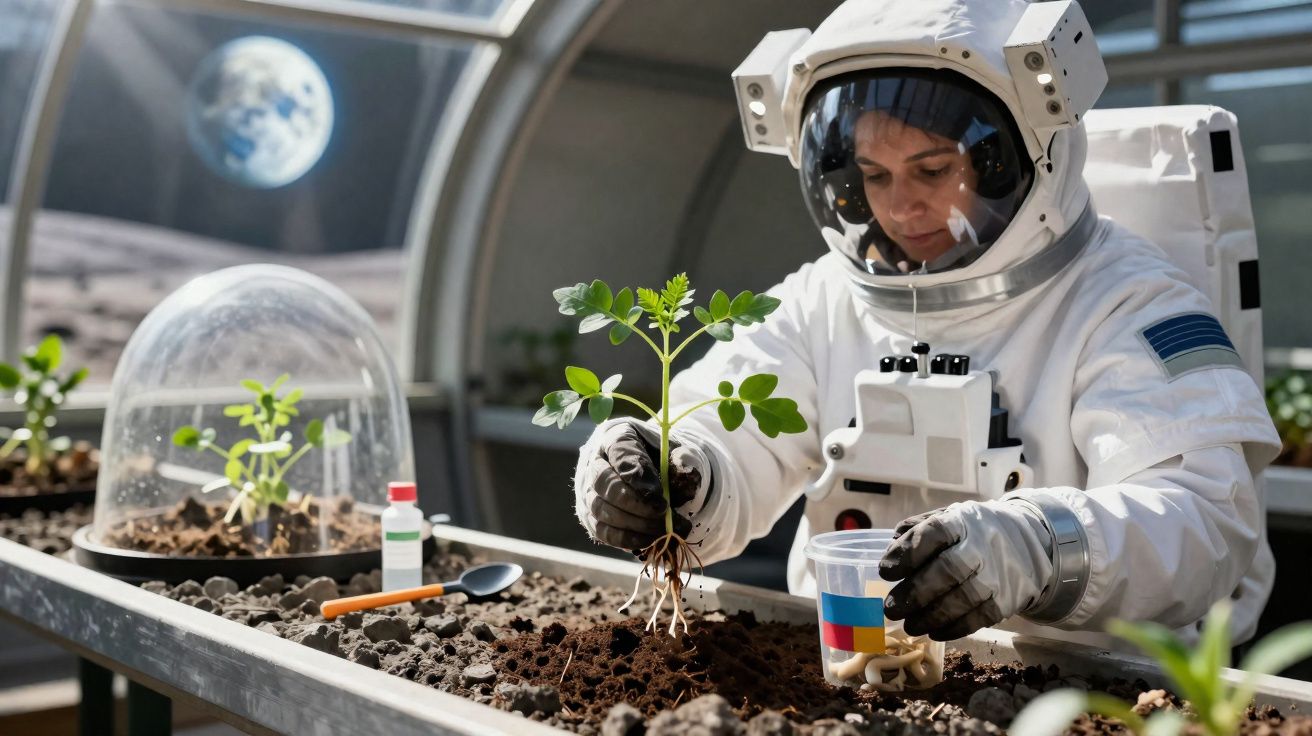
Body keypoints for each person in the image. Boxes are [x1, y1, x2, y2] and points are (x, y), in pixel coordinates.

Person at [572, 0, 1280, 648]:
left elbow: (1204, 520)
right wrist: (673, 474)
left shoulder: (1125, 299)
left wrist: (1036, 548)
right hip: (851, 668)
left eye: (933, 168)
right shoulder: (828, 298)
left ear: (1014, 156)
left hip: (1079, 687)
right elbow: (732, 430)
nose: (901, 208)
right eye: (874, 177)